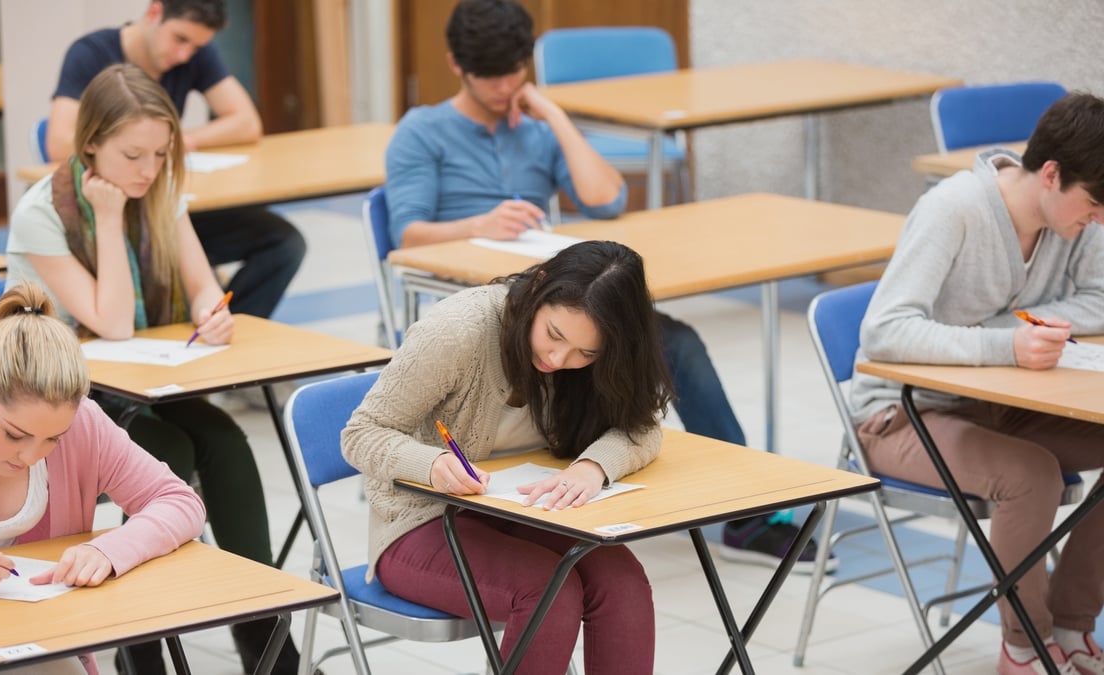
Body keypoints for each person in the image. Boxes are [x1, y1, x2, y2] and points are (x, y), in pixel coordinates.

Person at [385, 0, 835, 574]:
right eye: (489, 77)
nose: (503, 89)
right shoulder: (423, 132)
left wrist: (553, 114)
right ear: (457, 66)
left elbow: (608, 199)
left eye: (514, 74)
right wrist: (477, 225)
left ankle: (745, 518)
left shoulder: (533, 127)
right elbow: (407, 234)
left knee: (677, 342)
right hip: (475, 306)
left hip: (553, 297)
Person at [6, 65, 297, 675]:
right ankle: (141, 650)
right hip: (57, 406)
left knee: (228, 440)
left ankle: (266, 642)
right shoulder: (42, 213)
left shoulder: (160, 192)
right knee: (169, 453)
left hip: (139, 387)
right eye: (133, 154)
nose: (148, 169)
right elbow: (110, 322)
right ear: (90, 145)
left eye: (161, 154)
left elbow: (200, 287)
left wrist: (209, 312)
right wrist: (109, 221)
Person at [850, 92, 1104, 675]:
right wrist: (1003, 343)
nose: (1097, 221)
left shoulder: (1078, 218)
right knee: (1029, 476)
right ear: (1050, 174)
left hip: (1001, 402)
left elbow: (1097, 299)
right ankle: (1025, 647)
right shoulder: (955, 209)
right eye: (1091, 206)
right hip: (899, 414)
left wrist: (1022, 332)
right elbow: (885, 331)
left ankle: (1070, 625)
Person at [343, 240, 671, 674]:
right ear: (538, 289)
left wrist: (594, 466)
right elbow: (361, 433)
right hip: (421, 522)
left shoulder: (600, 352)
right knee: (548, 591)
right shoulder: (458, 330)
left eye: (585, 353)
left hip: (523, 511)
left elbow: (642, 425)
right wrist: (432, 464)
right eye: (554, 335)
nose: (558, 358)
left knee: (621, 581)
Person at [0, 281, 206, 675]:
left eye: (52, 438)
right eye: (14, 434)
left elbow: (179, 501)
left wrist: (108, 551)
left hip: (28, 639)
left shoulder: (83, 425)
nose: (31, 456)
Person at [47, 0, 305, 321]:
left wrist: (178, 142)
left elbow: (247, 122)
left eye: (196, 47)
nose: (185, 55)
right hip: (110, 208)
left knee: (284, 242)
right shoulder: (91, 54)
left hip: (164, 201)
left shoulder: (193, 52)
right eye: (180, 39)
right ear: (154, 12)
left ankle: (219, 326)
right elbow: (58, 142)